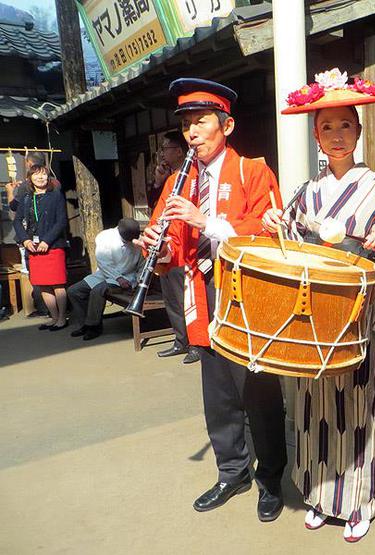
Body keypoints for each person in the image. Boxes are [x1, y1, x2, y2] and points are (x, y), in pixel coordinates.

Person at [134, 78, 287, 520]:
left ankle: (270, 478)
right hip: (200, 292)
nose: (192, 133)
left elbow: (271, 230)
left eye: (201, 122)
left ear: (227, 125)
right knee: (218, 394)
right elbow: (169, 246)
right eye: (186, 125)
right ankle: (232, 471)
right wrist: (157, 247)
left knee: (258, 392)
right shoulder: (179, 180)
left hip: (246, 295)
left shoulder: (251, 171)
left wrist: (210, 221)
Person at [263, 68, 375, 543]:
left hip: (355, 313)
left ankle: (360, 500)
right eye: (327, 127)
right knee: (310, 406)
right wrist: (275, 222)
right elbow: (289, 243)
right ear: (316, 136)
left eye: (345, 125)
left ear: (360, 131)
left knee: (357, 406)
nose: (337, 136)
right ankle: (320, 495)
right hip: (311, 317)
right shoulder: (306, 192)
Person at [150, 131, 199, 364]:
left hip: (187, 247)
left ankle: (196, 344)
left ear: (179, 151)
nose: (162, 153)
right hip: (167, 247)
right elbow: (159, 211)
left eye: (165, 148)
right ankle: (181, 340)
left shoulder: (197, 176)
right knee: (171, 298)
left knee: (187, 299)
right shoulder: (171, 180)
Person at [13, 164, 68, 331]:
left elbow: (61, 221)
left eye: (43, 174)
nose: (40, 178)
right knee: (43, 284)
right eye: (36, 175)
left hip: (53, 246)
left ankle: (62, 318)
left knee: (58, 284)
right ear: (30, 178)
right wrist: (25, 241)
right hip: (34, 247)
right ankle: (53, 316)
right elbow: (17, 221)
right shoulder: (27, 198)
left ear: (48, 177)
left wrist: (47, 241)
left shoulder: (56, 195)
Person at [67, 218, 142, 340]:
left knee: (98, 290)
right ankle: (85, 323)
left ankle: (94, 326)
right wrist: (118, 278)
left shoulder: (137, 242)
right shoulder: (106, 237)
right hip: (106, 273)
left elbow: (141, 265)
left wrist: (138, 280)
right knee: (74, 291)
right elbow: (103, 262)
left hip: (128, 277)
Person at [6, 151, 60, 318]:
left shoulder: (29, 186)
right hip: (45, 238)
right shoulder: (56, 183)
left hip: (41, 238)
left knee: (41, 277)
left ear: (29, 165)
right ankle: (54, 312)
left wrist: (9, 191)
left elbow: (14, 207)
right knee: (50, 278)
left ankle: (46, 310)